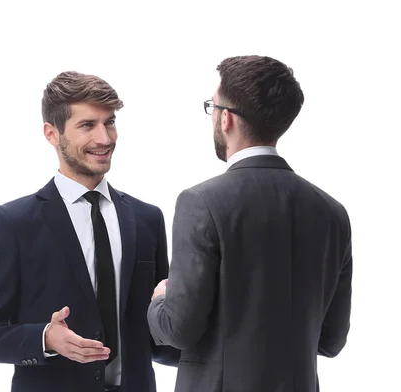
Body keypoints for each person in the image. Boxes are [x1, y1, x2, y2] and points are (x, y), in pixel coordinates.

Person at [0, 71, 179, 392]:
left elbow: (159, 337)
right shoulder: (14, 223)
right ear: (52, 133)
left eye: (110, 122)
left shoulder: (147, 218)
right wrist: (45, 338)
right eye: (87, 125)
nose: (104, 139)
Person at [147, 55, 353, 392]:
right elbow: (331, 340)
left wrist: (158, 301)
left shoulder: (201, 203)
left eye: (211, 107)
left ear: (226, 118)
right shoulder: (332, 212)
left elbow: (178, 328)